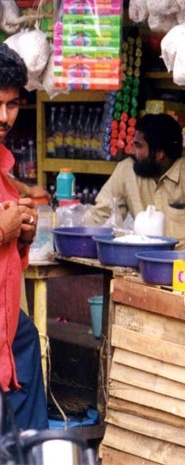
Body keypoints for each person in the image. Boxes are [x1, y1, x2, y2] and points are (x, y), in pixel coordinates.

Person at [88, 114, 185, 242]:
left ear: (159, 154)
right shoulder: (126, 171)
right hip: (144, 265)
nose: (131, 151)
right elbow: (101, 215)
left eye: (138, 146)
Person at [0, 44, 46, 431]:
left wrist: (23, 236)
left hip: (8, 325)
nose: (4, 117)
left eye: (12, 105)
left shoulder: (4, 168)